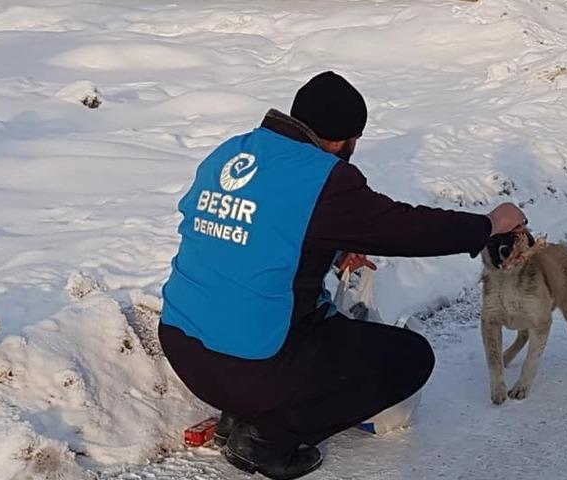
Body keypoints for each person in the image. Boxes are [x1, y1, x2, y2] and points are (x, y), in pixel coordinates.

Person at [159, 71, 528, 480]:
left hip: (184, 347)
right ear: (341, 141)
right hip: (251, 366)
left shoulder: (231, 153)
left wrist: (329, 244)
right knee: (408, 358)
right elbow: (408, 229)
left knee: (287, 320)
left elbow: (251, 227)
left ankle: (243, 410)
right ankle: (267, 437)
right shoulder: (324, 176)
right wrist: (490, 223)